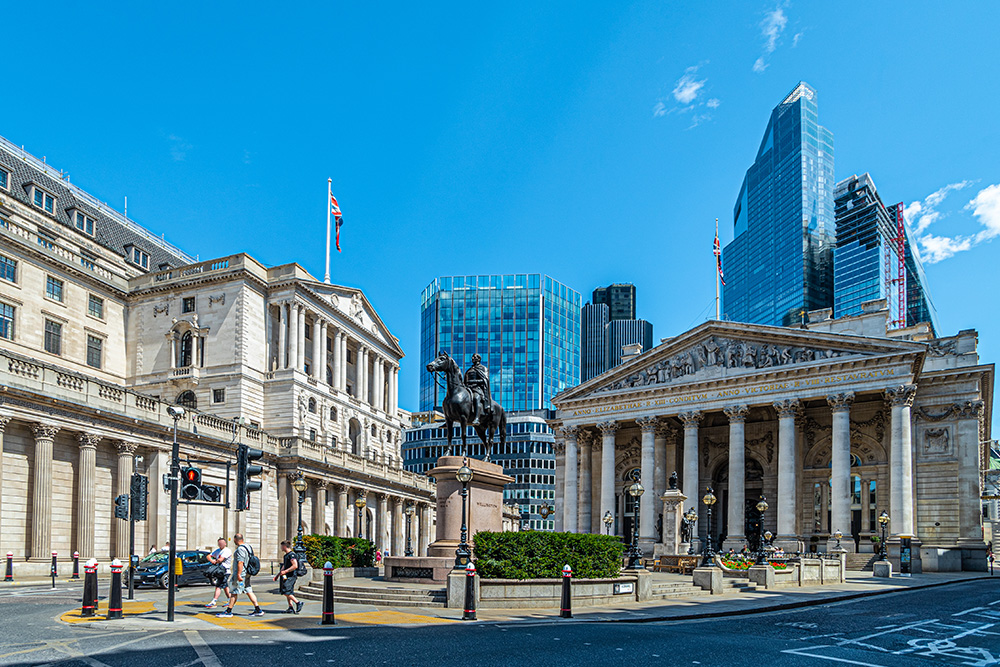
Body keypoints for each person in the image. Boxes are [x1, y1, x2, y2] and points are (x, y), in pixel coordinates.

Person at [217, 533, 263, 617]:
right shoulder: (248, 547)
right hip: (247, 573)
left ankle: (228, 611)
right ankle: (258, 609)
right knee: (248, 590)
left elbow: (240, 562)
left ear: (235, 539)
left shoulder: (240, 549)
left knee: (234, 592)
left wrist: (238, 574)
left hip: (241, 573)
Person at [274, 541, 303, 614]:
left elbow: (295, 565)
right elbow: (284, 565)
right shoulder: (286, 555)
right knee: (289, 591)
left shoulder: (292, 555)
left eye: (281, 546)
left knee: (285, 591)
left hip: (291, 575)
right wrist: (278, 575)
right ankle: (290, 607)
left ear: (285, 546)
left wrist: (286, 571)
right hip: (286, 576)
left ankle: (298, 602)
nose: (281, 548)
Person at [205, 537, 233, 608]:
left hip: (225, 571)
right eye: (219, 543)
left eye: (222, 543)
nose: (221, 544)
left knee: (218, 586)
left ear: (225, 543)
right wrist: (212, 560)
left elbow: (221, 559)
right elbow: (208, 556)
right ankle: (230, 601)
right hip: (219, 570)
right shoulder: (217, 550)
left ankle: (214, 601)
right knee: (225, 586)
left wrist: (216, 561)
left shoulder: (227, 550)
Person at [464, 353, 492, 421]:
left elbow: (485, 380)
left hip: (477, 389)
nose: (473, 358)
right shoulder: (469, 370)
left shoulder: (483, 368)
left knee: (476, 398)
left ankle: (477, 417)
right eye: (472, 357)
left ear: (479, 359)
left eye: (474, 357)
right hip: (468, 388)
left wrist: (473, 381)